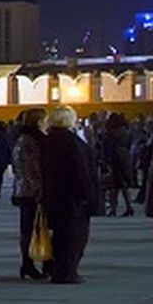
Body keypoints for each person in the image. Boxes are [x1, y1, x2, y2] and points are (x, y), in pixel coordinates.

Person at [39, 107, 98, 283]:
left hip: (55, 195)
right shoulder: (70, 141)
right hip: (73, 197)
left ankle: (59, 269)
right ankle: (68, 271)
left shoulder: (49, 140)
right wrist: (88, 195)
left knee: (59, 235)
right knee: (74, 236)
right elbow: (80, 171)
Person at [10, 109, 46, 279]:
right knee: (32, 228)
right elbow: (34, 169)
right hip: (33, 191)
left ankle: (28, 263)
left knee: (28, 229)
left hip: (23, 188)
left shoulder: (21, 139)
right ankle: (29, 263)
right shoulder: (33, 141)